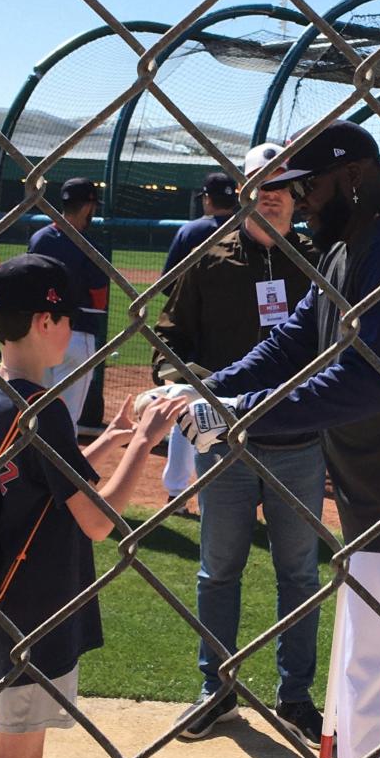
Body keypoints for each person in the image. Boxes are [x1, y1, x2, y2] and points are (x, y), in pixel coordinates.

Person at [159, 121, 380, 758]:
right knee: (360, 687)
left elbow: (364, 384)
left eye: (307, 188)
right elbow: (292, 343)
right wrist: (203, 389)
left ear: (353, 177)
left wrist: (234, 415)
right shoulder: (349, 247)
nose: (299, 204)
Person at [151, 143, 326, 746]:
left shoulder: (317, 262)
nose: (270, 194)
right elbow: (168, 339)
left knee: (299, 574)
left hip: (299, 441)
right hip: (224, 444)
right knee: (218, 571)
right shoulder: (208, 260)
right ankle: (217, 688)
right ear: (241, 190)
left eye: (281, 183)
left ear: (296, 193)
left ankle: (295, 696)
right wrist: (185, 389)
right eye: (259, 183)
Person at [0, 254, 184, 758]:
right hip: (35, 607)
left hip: (6, 602)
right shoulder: (44, 410)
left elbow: (44, 479)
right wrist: (143, 442)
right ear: (44, 321)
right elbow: (97, 522)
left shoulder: (2, 394)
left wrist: (109, 441)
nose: (72, 331)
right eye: (67, 320)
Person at [160, 173, 237, 515]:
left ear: (207, 198)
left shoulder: (190, 231)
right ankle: (226, 498)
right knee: (236, 407)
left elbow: (167, 285)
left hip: (195, 336)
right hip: (240, 337)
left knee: (187, 404)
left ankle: (176, 493)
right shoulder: (248, 227)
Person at [27, 177, 108, 431]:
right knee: (65, 422)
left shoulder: (39, 239)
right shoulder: (90, 246)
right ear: (88, 207)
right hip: (76, 335)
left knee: (35, 414)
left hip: (39, 335)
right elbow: (99, 300)